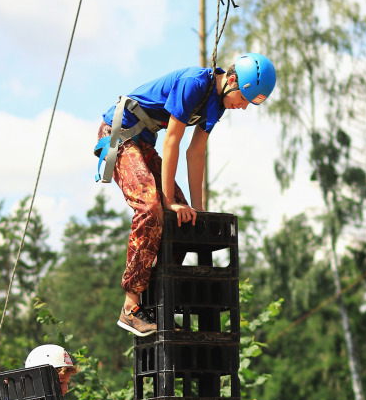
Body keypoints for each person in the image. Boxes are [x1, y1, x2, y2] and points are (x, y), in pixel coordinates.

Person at [95, 54, 276, 337]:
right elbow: (173, 141)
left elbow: (196, 153)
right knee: (152, 208)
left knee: (186, 222)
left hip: (144, 145)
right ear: (231, 80)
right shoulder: (194, 84)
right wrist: (169, 200)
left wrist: (199, 210)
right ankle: (130, 308)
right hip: (121, 135)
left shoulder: (218, 105)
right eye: (244, 98)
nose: (242, 107)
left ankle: (152, 304)